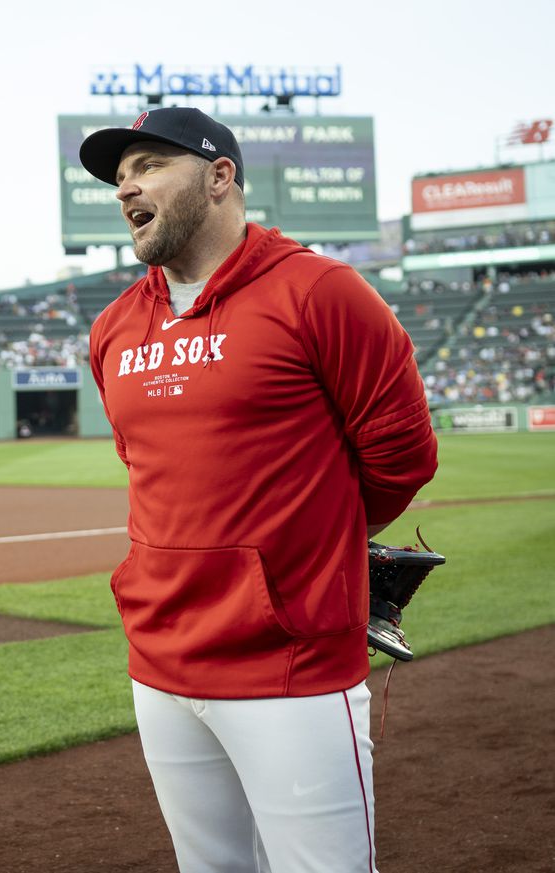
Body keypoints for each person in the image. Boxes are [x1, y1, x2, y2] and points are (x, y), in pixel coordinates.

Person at [79, 107, 437, 872]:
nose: (125, 189)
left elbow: (401, 457)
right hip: (159, 661)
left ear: (219, 176)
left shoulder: (321, 292)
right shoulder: (112, 328)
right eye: (118, 178)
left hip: (290, 667)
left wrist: (308, 548)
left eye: (147, 166)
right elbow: (146, 465)